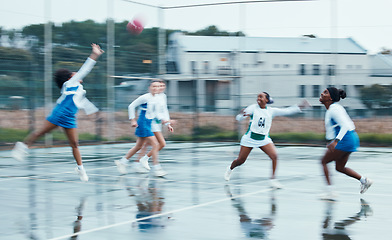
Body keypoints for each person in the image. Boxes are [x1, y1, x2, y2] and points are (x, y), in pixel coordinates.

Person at [11, 43, 104, 182]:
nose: (77, 74)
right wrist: (94, 55)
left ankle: (80, 168)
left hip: (70, 118)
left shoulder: (79, 89)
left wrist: (94, 112)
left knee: (75, 144)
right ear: (69, 78)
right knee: (41, 132)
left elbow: (84, 103)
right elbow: (85, 69)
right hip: (59, 114)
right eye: (74, 73)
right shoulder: (70, 84)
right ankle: (22, 146)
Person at [224, 92, 310, 188]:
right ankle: (230, 168)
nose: (258, 98)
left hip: (264, 139)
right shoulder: (253, 108)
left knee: (274, 156)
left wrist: (300, 106)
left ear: (267, 100)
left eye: (261, 97)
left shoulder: (271, 111)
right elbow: (239, 118)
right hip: (249, 138)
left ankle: (273, 180)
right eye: (257, 97)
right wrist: (241, 114)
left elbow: (287, 111)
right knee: (240, 160)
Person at [319, 87, 372, 199]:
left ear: (331, 98)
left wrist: (335, 141)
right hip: (351, 138)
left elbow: (345, 126)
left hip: (345, 139)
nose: (322, 94)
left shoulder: (334, 109)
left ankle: (330, 192)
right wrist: (330, 141)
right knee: (339, 167)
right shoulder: (333, 109)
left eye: (325, 92)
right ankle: (364, 180)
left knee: (323, 161)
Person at [114, 80, 167, 177]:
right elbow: (131, 106)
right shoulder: (145, 97)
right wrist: (132, 120)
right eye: (154, 86)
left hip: (149, 122)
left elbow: (156, 113)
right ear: (149, 88)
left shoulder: (157, 98)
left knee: (138, 146)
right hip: (143, 123)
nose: (156, 88)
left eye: (158, 86)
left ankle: (123, 161)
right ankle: (156, 168)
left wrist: (164, 121)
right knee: (155, 144)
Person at [136, 80, 174, 173]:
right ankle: (155, 166)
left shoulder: (162, 96)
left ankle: (137, 163)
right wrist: (164, 121)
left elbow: (164, 110)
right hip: (150, 123)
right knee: (159, 144)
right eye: (158, 85)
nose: (160, 87)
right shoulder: (150, 97)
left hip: (157, 123)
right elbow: (151, 112)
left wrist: (167, 123)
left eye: (162, 85)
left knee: (146, 144)